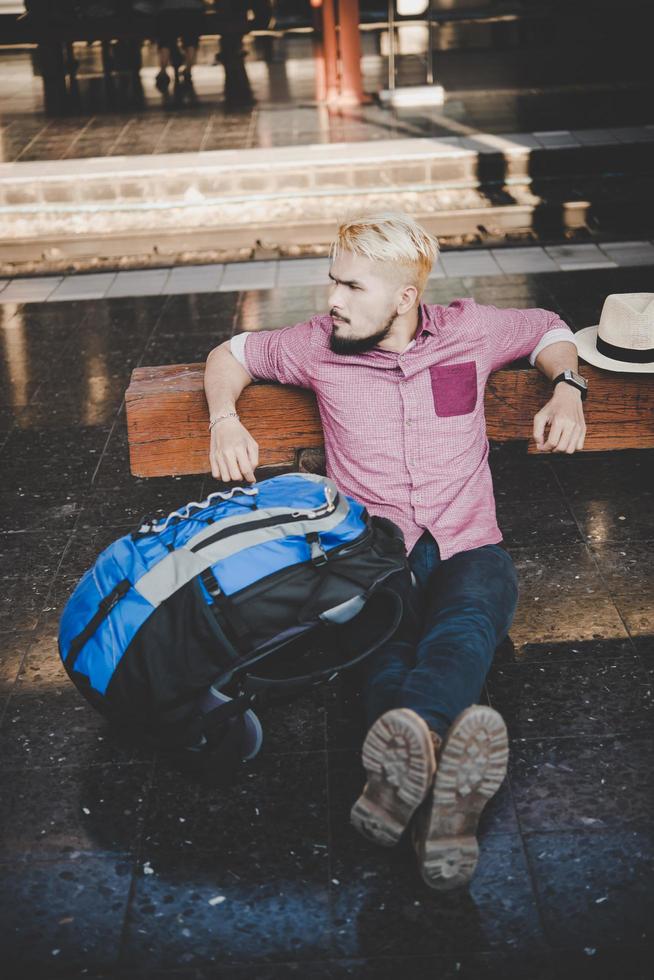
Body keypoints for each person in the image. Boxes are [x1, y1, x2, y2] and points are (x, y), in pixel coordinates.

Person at [203, 212, 587, 890]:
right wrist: (225, 418)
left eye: (351, 287)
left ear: (405, 297)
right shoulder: (315, 345)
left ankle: (399, 778)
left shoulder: (470, 330)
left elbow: (549, 328)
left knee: (465, 627)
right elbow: (231, 354)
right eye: (332, 283)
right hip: (373, 555)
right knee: (386, 647)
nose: (332, 301)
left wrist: (569, 389)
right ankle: (440, 798)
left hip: (468, 541)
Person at [154, 0, 205, 102]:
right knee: (191, 39)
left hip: (167, 10)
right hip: (192, 9)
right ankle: (188, 70)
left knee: (165, 39)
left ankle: (163, 71)